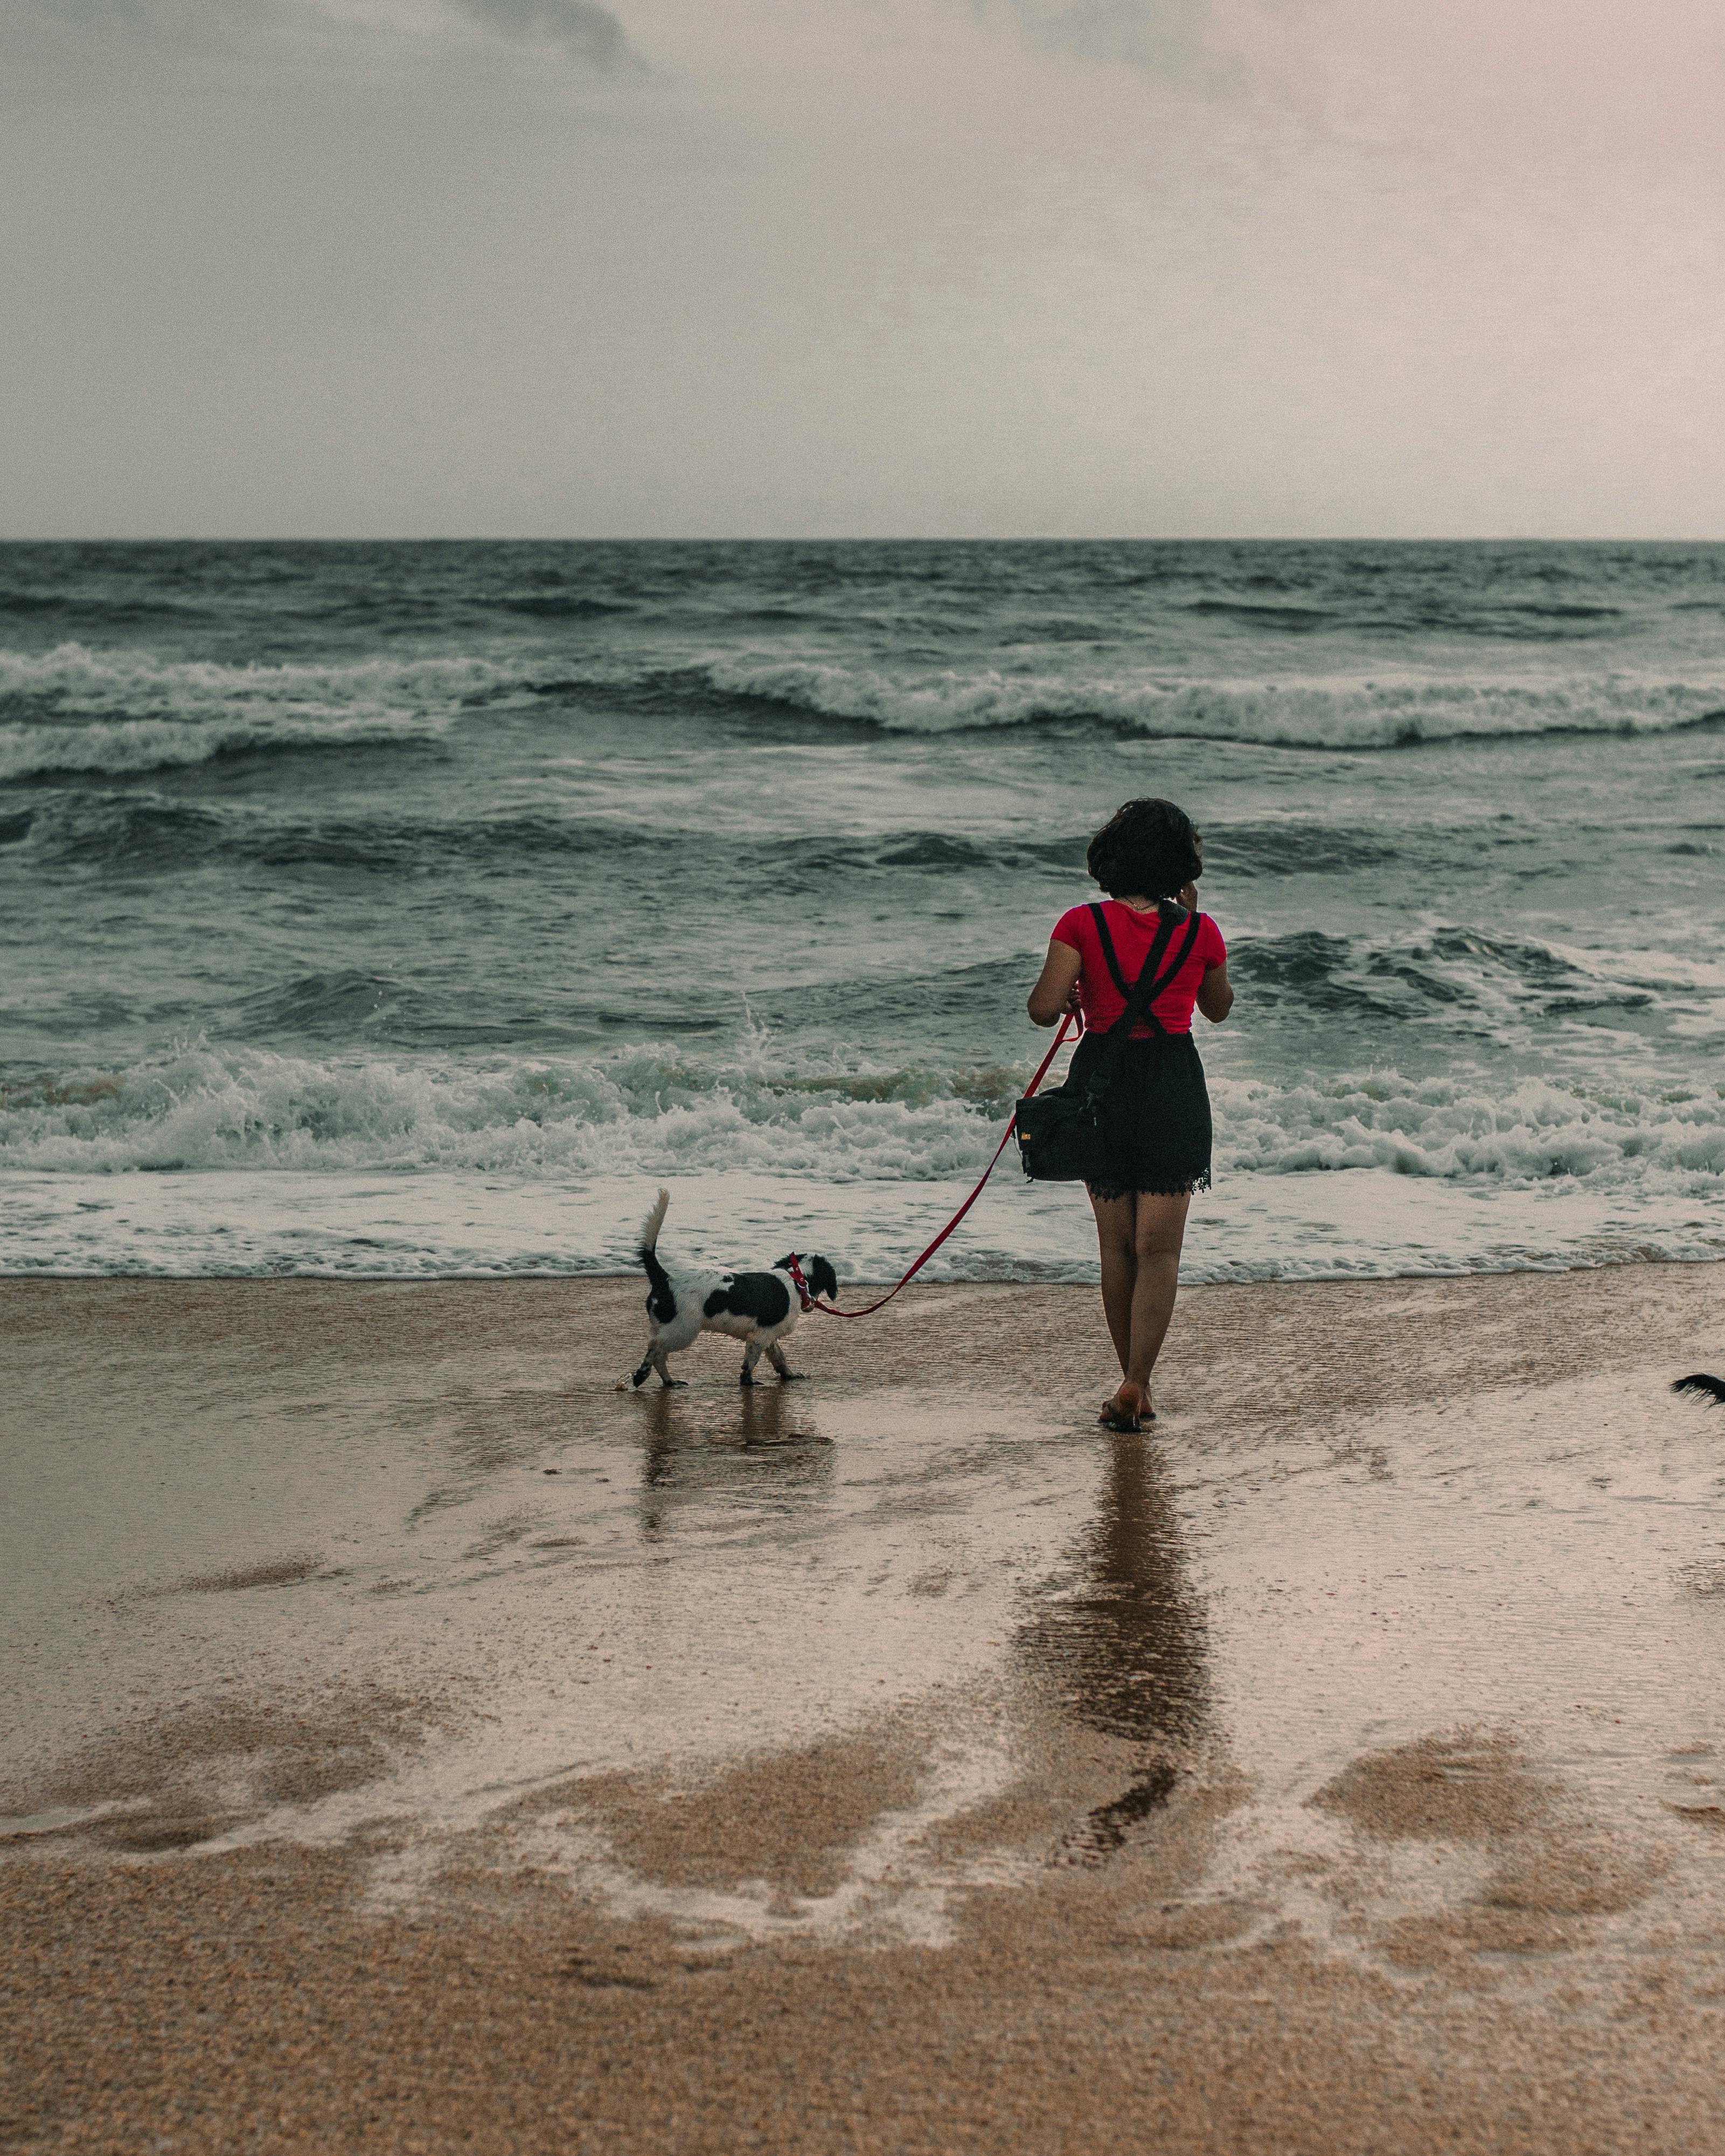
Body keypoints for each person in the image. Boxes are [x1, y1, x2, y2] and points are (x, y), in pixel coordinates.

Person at [1026, 798, 1233, 1433]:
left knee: (1116, 1246)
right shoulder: (1201, 931)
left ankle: (1131, 1384)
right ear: (1179, 864)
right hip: (1172, 1083)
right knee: (1160, 1249)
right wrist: (1191, 927)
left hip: (1102, 1084)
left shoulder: (1080, 924)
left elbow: (1043, 1008)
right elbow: (1218, 1008)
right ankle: (1136, 1383)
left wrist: (1086, 991)